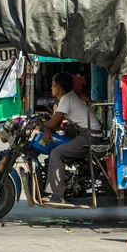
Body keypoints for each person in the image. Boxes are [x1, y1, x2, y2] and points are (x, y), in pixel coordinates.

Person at [41, 72, 103, 205]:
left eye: (52, 85)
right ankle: (51, 189)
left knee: (57, 153)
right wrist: (48, 127)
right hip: (88, 134)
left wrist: (43, 124)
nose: (51, 88)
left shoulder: (66, 99)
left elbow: (52, 124)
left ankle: (57, 196)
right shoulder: (68, 98)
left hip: (90, 136)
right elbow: (55, 124)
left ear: (58, 86)